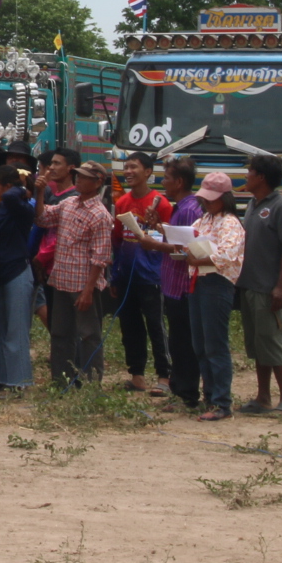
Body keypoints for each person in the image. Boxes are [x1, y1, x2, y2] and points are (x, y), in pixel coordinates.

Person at [36, 161, 114, 387]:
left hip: (82, 284)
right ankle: (62, 381)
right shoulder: (69, 203)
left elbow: (100, 257)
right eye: (78, 175)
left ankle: (92, 383)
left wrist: (89, 290)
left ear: (98, 181)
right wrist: (40, 191)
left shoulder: (100, 215)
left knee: (89, 335)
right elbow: (43, 218)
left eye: (85, 177)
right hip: (62, 280)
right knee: (60, 333)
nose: (78, 179)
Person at [237, 154, 282, 416]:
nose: (246, 175)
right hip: (249, 285)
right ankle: (263, 396)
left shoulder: (281, 207)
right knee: (257, 344)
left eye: (250, 171)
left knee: (273, 342)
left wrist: (281, 286)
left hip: (267, 287)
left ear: (261, 177)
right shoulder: (253, 204)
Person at [182, 172, 245, 421]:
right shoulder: (204, 219)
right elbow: (188, 237)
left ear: (225, 198)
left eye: (212, 199)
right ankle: (210, 396)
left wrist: (198, 258)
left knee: (215, 344)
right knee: (201, 344)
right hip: (199, 280)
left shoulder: (230, 223)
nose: (207, 203)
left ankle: (222, 401)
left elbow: (228, 254)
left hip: (217, 283)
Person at [113, 151, 172, 394]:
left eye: (134, 167)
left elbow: (169, 238)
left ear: (148, 172)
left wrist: (154, 229)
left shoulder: (161, 203)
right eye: (126, 167)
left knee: (156, 325)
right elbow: (117, 240)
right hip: (127, 275)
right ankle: (137, 375)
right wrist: (115, 275)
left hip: (152, 274)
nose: (128, 172)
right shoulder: (121, 203)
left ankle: (164, 376)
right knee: (130, 326)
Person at [157, 156, 203, 410]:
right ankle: (179, 387)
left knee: (184, 342)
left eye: (166, 178)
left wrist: (154, 243)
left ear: (180, 181)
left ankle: (187, 393)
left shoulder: (188, 209)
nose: (163, 183)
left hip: (183, 285)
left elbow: (186, 247)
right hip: (173, 285)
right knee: (177, 340)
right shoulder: (180, 207)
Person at [0, 164, 36, 392]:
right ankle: (4, 377)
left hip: (17, 270)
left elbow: (16, 194)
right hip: (0, 271)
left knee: (16, 330)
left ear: (6, 185)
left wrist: (20, 188)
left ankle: (20, 381)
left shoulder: (19, 205)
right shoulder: (7, 205)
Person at [30, 147, 81, 328]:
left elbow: (63, 235)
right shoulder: (53, 195)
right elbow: (43, 222)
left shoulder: (75, 198)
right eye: (50, 163)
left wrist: (41, 258)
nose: (51, 167)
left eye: (57, 163)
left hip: (64, 268)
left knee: (66, 323)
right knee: (55, 320)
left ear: (71, 168)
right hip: (49, 267)